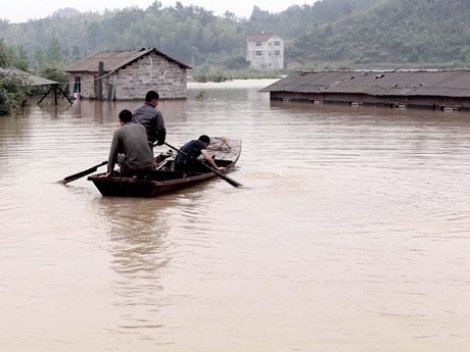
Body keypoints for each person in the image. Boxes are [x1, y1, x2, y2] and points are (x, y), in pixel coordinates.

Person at [105, 109, 155, 177]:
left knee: (117, 156)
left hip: (134, 168)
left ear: (120, 120)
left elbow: (112, 154)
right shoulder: (142, 127)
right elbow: (149, 145)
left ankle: (124, 173)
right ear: (132, 118)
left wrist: (109, 172)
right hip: (150, 166)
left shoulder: (118, 132)